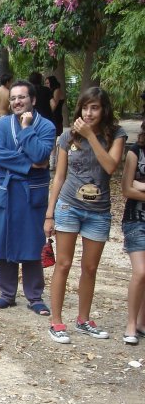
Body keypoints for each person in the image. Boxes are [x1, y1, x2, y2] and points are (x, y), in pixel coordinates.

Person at [44, 87, 127, 344]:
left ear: (104, 110)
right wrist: (49, 214)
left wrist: (91, 135)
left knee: (90, 268)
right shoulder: (68, 136)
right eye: (85, 107)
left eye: (95, 108)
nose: (89, 113)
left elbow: (110, 166)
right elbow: (59, 176)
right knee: (64, 264)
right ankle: (56, 321)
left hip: (98, 211)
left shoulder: (116, 134)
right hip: (69, 206)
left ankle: (83, 319)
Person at [0, 80, 55, 313]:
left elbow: (41, 155)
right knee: (3, 241)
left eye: (22, 97)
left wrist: (27, 129)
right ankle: (6, 293)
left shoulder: (46, 126)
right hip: (7, 190)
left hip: (31, 193)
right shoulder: (1, 125)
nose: (17, 102)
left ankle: (34, 296)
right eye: (13, 98)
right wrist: (29, 165)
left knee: (32, 242)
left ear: (33, 100)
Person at [120, 121, 145, 344]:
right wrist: (136, 186)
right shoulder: (135, 152)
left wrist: (142, 185)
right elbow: (127, 188)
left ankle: (140, 322)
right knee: (141, 271)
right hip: (136, 219)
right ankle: (130, 324)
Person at [46, 76, 66, 169]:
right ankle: (52, 162)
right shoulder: (51, 91)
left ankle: (52, 162)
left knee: (53, 139)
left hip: (55, 117)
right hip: (53, 117)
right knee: (52, 140)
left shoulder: (56, 91)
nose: (46, 85)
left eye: (48, 83)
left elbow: (54, 106)